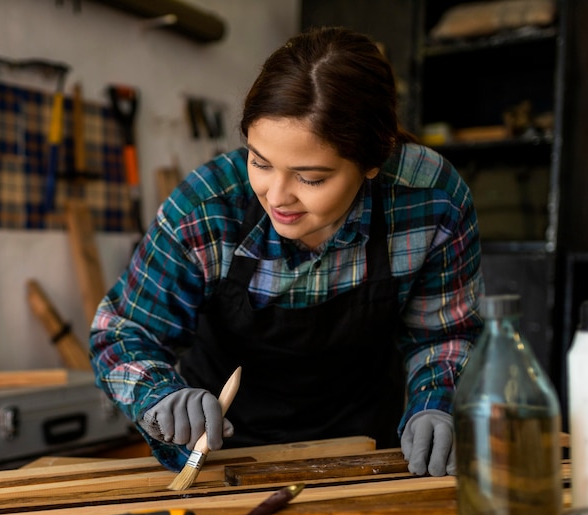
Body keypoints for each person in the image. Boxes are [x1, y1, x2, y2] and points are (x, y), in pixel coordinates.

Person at [89, 26, 484, 477]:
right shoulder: (207, 207)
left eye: (310, 178)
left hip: (372, 452)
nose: (276, 196)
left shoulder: (431, 198)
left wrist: (436, 403)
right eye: (259, 162)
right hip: (224, 455)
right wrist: (158, 395)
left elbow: (445, 334)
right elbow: (121, 331)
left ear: (374, 161)